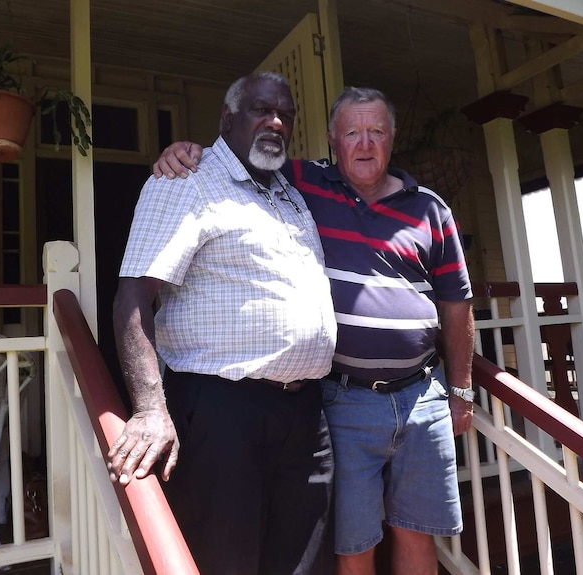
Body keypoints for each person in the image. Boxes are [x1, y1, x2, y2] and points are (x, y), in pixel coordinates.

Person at [153, 86, 475, 575]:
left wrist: (461, 390)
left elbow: (456, 304)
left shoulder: (431, 208)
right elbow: (243, 153)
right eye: (352, 133)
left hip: (422, 396)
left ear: (392, 139)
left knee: (418, 531)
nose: (364, 144)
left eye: (376, 132)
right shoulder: (302, 184)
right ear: (332, 140)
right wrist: (187, 150)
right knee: (353, 540)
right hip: (344, 399)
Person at [108, 71, 338, 575]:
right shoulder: (185, 181)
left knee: (305, 564)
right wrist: (149, 408)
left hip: (305, 418)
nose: (276, 121)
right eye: (261, 109)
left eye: (286, 113)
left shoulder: (290, 193)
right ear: (228, 118)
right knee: (224, 561)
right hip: (224, 412)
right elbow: (134, 295)